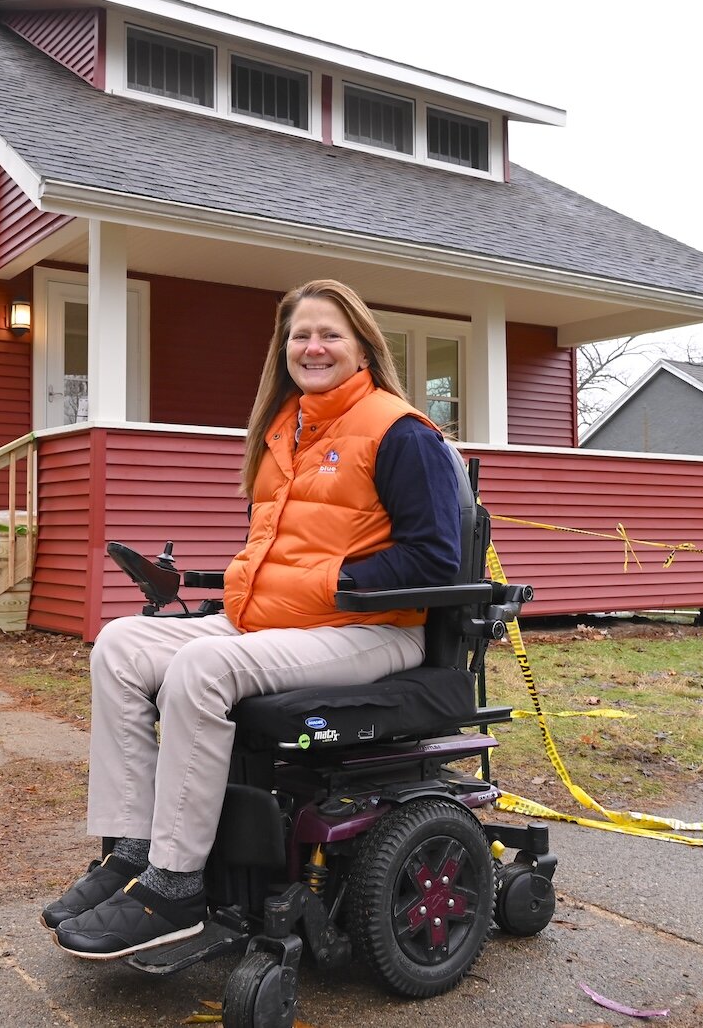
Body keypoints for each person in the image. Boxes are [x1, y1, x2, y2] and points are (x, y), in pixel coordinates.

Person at [45, 279, 464, 960]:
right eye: (301, 334)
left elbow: (436, 562)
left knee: (202, 666)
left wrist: (329, 583)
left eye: (330, 333)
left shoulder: (401, 432)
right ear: (284, 349)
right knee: (120, 643)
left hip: (369, 632)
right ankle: (136, 846)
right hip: (274, 623)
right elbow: (276, 550)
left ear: (362, 347)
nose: (314, 345)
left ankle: (176, 887)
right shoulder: (283, 432)